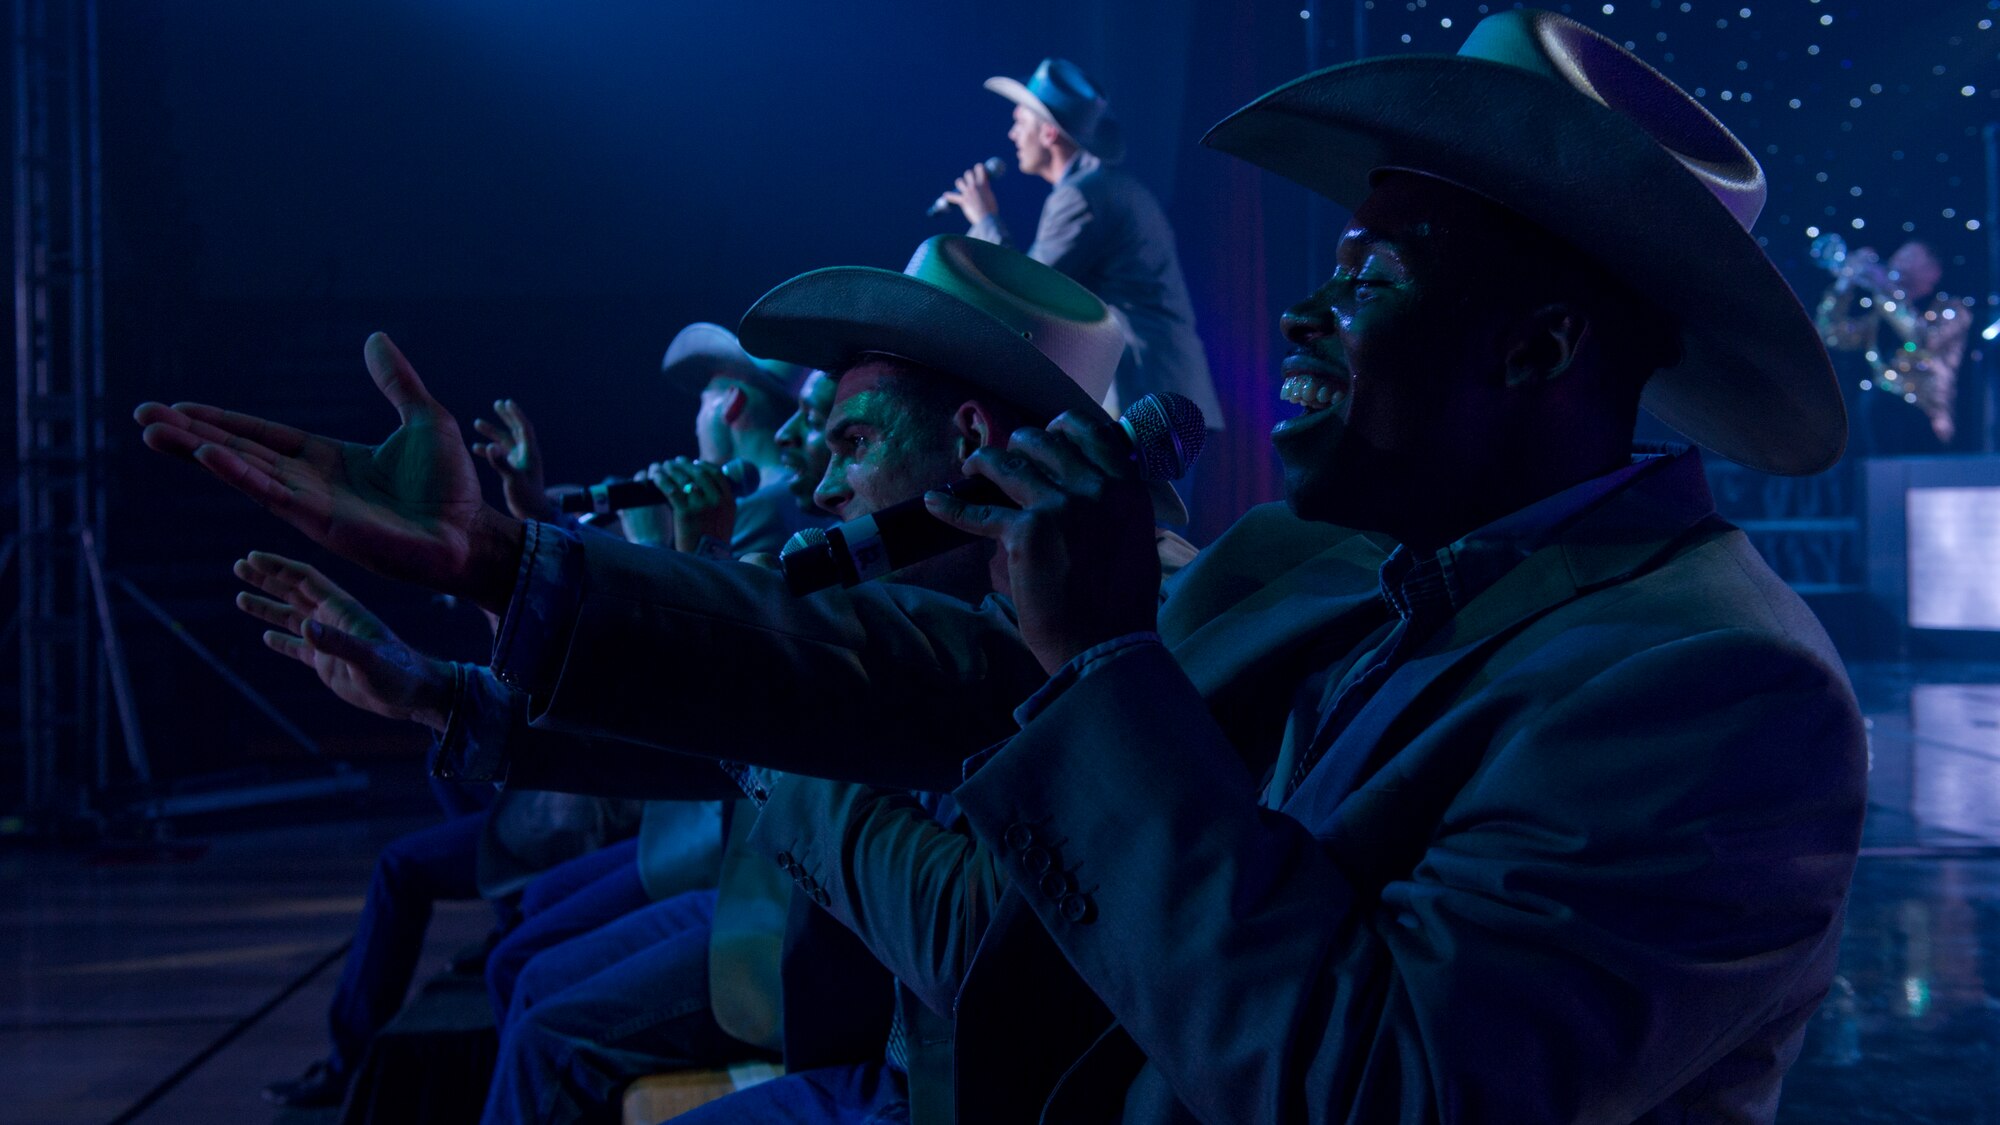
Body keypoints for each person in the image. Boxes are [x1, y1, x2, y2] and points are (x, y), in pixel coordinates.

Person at [135, 12, 1869, 1115]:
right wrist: (508, 565)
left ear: (1540, 346)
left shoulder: (1713, 686)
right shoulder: (1325, 552)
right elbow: (935, 684)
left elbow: (1374, 1084)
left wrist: (1104, 663)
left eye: (1388, 264)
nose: (1321, 306)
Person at [944, 57, 1224, 491]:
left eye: (1020, 121)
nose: (1012, 134)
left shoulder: (1081, 197)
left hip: (1145, 392)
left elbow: (1022, 291)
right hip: (1160, 388)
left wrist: (983, 219)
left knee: (1143, 542)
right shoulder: (1103, 187)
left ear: (1049, 131)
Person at [1813, 239, 1974, 454]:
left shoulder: (1953, 309)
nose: (1896, 262)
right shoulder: (1880, 315)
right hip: (1882, 414)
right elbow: (1832, 335)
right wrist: (1843, 285)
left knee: (1877, 403)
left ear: (1933, 272)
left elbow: (1923, 339)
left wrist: (1885, 289)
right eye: (1898, 256)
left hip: (1927, 416)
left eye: (1908, 258)